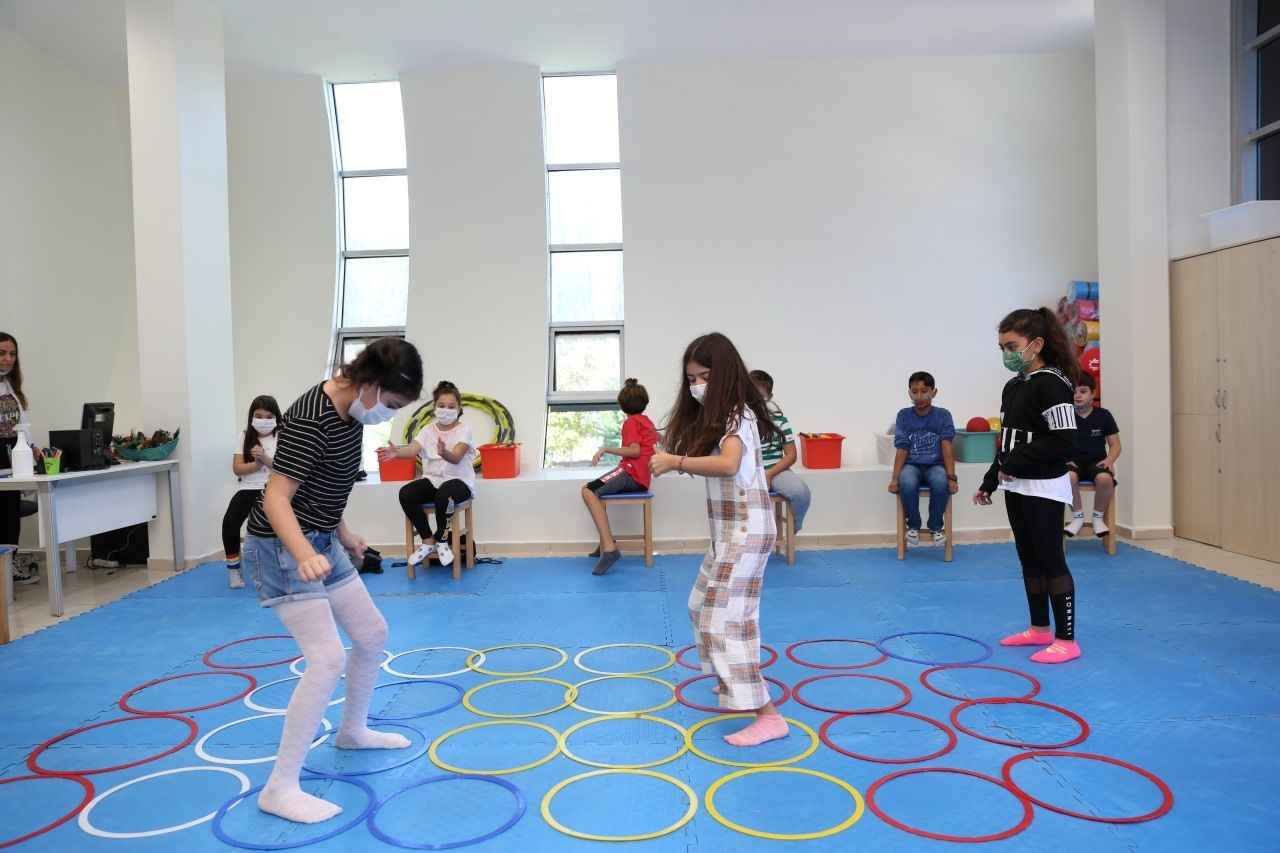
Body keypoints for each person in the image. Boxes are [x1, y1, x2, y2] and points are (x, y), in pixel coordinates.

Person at [242, 338, 423, 823]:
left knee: (372, 633)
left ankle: (353, 731)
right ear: (369, 384)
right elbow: (276, 498)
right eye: (390, 403)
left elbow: (326, 483)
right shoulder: (311, 418)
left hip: (321, 539)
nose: (387, 414)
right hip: (280, 545)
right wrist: (303, 554)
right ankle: (279, 788)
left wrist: (343, 533)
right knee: (326, 659)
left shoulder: (351, 413)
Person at [651, 332, 786, 746]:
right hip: (729, 532)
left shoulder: (737, 415)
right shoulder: (721, 416)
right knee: (699, 605)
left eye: (705, 377)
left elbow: (729, 464)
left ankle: (767, 714)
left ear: (724, 374)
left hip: (747, 530)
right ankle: (731, 678)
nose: (697, 386)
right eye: (692, 379)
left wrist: (676, 461)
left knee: (726, 620)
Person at [973, 308, 1082, 664]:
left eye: (1011, 346)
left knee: (1051, 560)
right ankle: (1039, 628)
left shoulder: (1053, 384)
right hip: (1016, 486)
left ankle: (1066, 640)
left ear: (1036, 344)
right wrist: (991, 480)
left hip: (1044, 487)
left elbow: (1064, 440)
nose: (1006, 354)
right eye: (1001, 348)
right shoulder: (1014, 386)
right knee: (1029, 559)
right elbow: (1009, 442)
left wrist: (1015, 461)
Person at [380, 380, 476, 569]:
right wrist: (397, 453)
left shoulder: (464, 429)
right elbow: (412, 449)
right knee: (406, 493)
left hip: (460, 482)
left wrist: (444, 453)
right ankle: (428, 540)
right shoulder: (427, 430)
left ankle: (442, 539)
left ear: (459, 408)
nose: (446, 410)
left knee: (444, 495)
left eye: (451, 406)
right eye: (441, 405)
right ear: (434, 407)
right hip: (433, 480)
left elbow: (456, 457)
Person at [582, 378, 659, 575]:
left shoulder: (631, 422)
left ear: (622, 405)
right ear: (644, 402)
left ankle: (609, 548)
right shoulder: (646, 421)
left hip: (631, 474)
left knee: (588, 491)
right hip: (642, 478)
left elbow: (634, 451)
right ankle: (606, 540)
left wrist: (605, 448)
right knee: (596, 491)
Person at [888, 371, 958, 547]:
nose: (919, 396)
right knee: (907, 481)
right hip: (912, 465)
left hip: (935, 466)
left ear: (934, 392)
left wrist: (951, 477)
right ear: (909, 393)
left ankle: (935, 527)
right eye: (914, 392)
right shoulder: (904, 415)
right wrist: (894, 479)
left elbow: (947, 447)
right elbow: (902, 448)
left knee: (940, 482)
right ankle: (913, 525)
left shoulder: (943, 415)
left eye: (924, 391)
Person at [223, 396, 282, 589]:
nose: (263, 420)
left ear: (276, 417)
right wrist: (257, 465)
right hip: (247, 488)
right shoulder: (244, 436)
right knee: (229, 524)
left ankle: (279, 568)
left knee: (276, 529)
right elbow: (237, 469)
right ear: (251, 417)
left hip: (273, 487)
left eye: (268, 416)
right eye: (259, 416)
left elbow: (285, 468)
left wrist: (264, 458)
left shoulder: (283, 436)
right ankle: (234, 570)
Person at [748, 370, 812, 532]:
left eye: (760, 395)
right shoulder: (738, 421)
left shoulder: (779, 421)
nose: (755, 401)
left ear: (769, 396)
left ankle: (795, 525)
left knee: (800, 492)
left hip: (776, 471)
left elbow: (791, 455)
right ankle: (746, 538)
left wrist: (769, 474)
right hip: (748, 473)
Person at [1063, 373, 1121, 538]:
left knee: (1105, 479)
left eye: (1083, 391)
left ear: (1093, 394)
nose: (1078, 395)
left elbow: (1115, 445)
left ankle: (1097, 518)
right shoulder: (1066, 416)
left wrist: (1109, 460)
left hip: (1097, 462)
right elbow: (1056, 443)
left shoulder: (1104, 415)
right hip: (1073, 463)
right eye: (1074, 392)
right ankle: (1078, 517)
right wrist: (1064, 460)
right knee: (1067, 477)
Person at [0, 332, 36, 585]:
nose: (8, 359)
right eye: (2, 353)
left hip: (12, 454)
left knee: (10, 511)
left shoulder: (12, 386)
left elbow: (22, 424)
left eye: (12, 354)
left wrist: (33, 448)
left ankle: (9, 564)